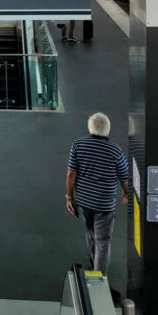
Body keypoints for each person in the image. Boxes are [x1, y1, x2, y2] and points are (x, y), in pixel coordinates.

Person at [66, 112, 129, 281]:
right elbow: (124, 176)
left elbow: (71, 173)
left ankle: (93, 261)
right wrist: (126, 192)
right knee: (103, 240)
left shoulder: (78, 145)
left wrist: (69, 197)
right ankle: (99, 280)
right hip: (104, 204)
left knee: (90, 232)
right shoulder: (115, 150)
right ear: (108, 129)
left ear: (90, 127)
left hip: (84, 201)